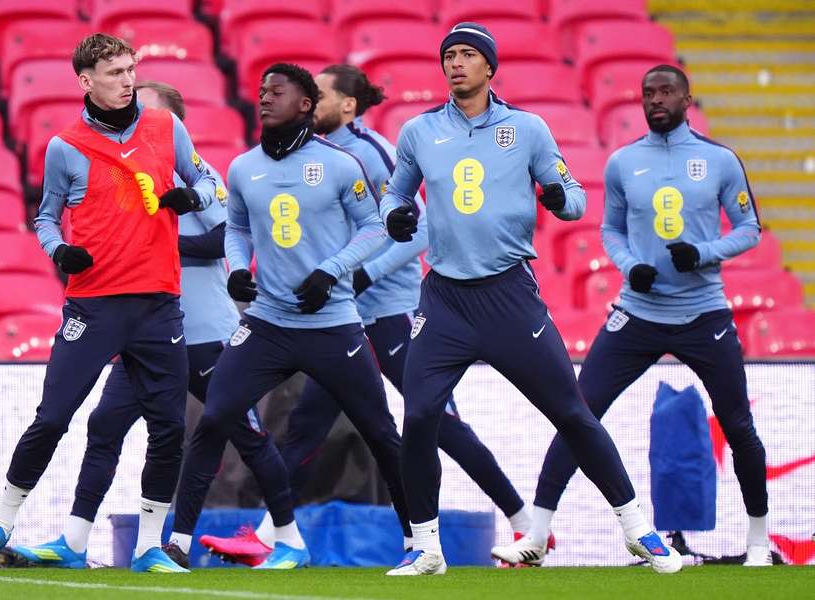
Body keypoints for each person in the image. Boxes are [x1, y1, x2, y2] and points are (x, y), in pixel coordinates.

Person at [204, 64, 547, 567]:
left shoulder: (369, 152)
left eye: (319, 94)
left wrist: (360, 276)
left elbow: (420, 230)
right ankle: (272, 536)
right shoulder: (295, 156)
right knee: (306, 426)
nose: (309, 102)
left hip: (385, 312)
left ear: (346, 105)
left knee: (435, 422)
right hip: (334, 321)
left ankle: (520, 522)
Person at [378, 23, 683, 575]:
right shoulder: (419, 131)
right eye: (449, 55)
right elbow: (395, 193)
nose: (456, 64)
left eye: (469, 55)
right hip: (444, 298)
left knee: (571, 411)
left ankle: (638, 529)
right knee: (420, 415)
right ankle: (425, 546)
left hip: (507, 294)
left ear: (490, 67)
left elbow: (573, 200)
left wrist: (560, 195)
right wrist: (394, 216)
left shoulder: (527, 128)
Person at [5, 81, 302, 571]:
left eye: (146, 107)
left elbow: (224, 238)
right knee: (105, 426)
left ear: (173, 121)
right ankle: (75, 541)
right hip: (146, 327)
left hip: (204, 331)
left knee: (244, 432)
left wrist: (150, 244)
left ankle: (288, 537)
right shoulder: (120, 175)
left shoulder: (196, 176)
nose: (133, 112)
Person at [0, 34, 217, 573]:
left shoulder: (165, 127)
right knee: (53, 417)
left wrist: (192, 196)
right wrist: (61, 251)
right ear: (86, 81)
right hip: (94, 305)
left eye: (131, 69)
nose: (128, 80)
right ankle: (0, 522)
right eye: (116, 72)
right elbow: (45, 217)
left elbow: (210, 183)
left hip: (158, 305)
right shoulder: (65, 146)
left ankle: (151, 544)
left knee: (168, 426)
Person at [524, 64, 771, 567]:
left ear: (686, 98)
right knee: (578, 413)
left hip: (704, 314)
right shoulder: (622, 162)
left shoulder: (719, 159)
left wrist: (703, 253)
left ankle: (759, 542)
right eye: (648, 93)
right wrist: (629, 264)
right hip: (637, 312)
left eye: (666, 92)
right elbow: (610, 230)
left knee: (738, 425)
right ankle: (535, 534)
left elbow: (750, 228)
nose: (656, 100)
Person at [168, 62, 413, 570]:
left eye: (276, 91)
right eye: (261, 90)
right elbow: (236, 229)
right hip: (266, 324)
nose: (264, 97)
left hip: (333, 325)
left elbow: (377, 228)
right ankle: (177, 543)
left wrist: (332, 270)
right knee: (215, 417)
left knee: (381, 431)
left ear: (305, 104)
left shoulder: (344, 163)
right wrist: (238, 268)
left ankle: (421, 541)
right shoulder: (242, 167)